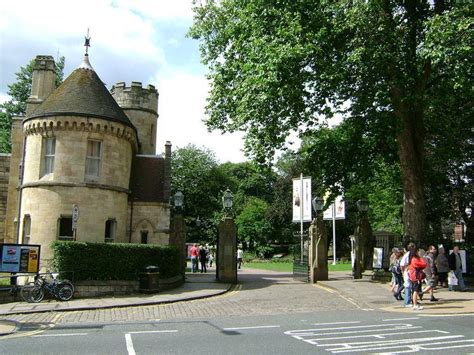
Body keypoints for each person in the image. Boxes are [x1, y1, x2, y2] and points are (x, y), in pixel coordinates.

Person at [408, 246, 427, 311]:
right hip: (416, 276)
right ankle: (415, 304)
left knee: (415, 290)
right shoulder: (414, 259)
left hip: (414, 276)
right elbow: (424, 264)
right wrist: (421, 258)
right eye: (418, 251)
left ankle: (415, 303)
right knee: (415, 290)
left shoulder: (412, 259)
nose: (419, 252)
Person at [400, 242, 416, 308]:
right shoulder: (412, 254)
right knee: (409, 287)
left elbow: (402, 265)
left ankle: (409, 301)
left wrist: (403, 271)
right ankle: (408, 302)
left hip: (408, 271)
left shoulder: (407, 254)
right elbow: (402, 265)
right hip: (411, 271)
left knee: (409, 287)